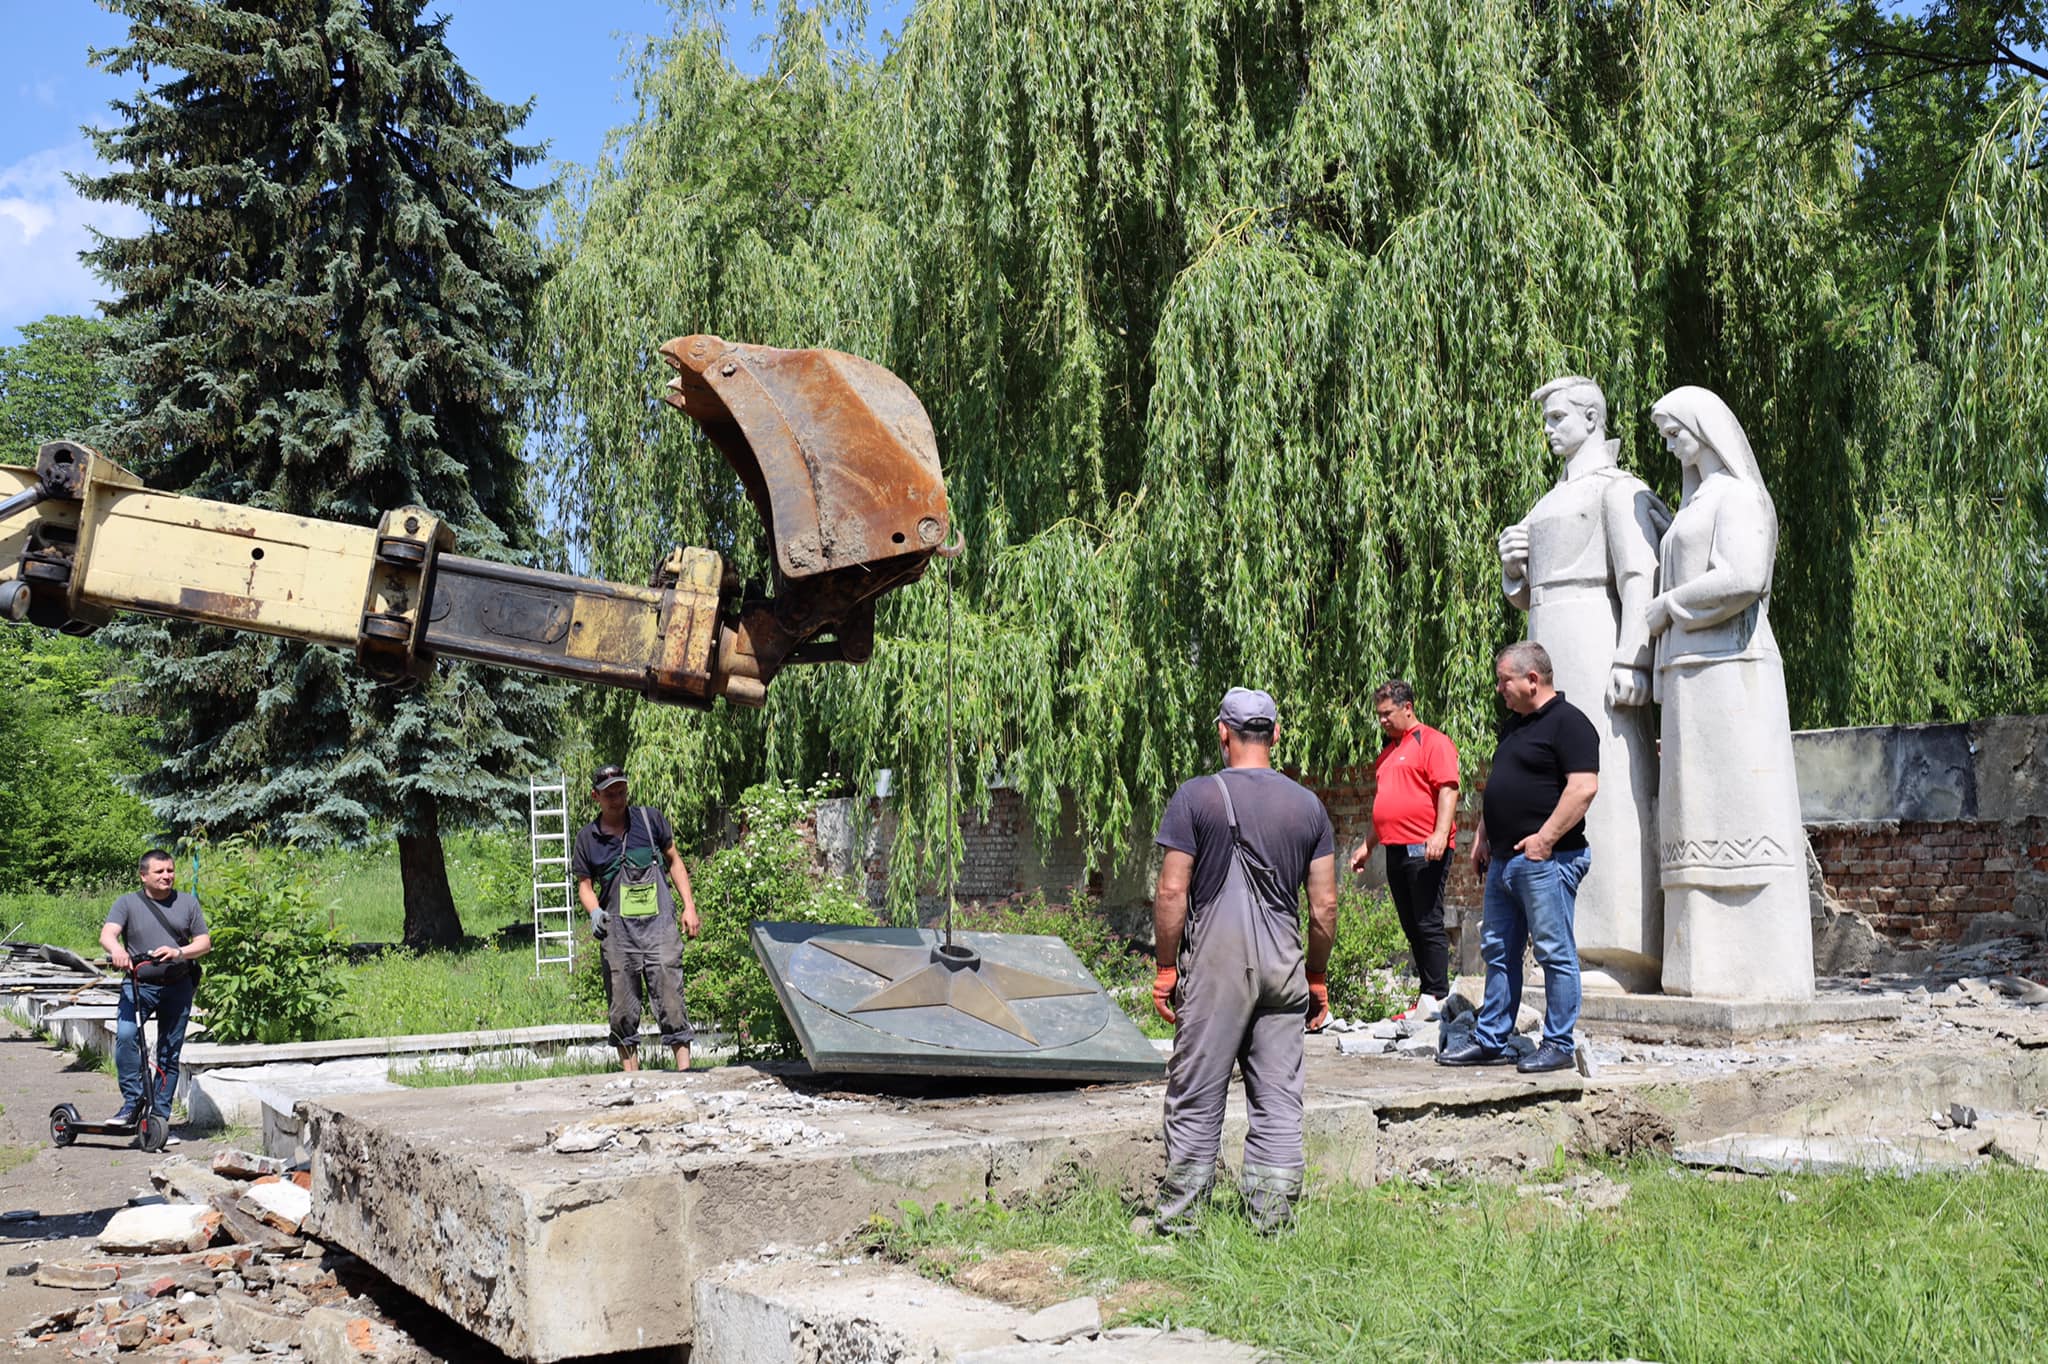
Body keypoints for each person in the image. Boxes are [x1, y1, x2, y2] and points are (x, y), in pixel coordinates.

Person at [1497, 375, 1669, 993]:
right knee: (1549, 780)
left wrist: (1632, 656)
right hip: (1550, 638)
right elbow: (1528, 594)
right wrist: (1514, 569)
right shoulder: (1550, 499)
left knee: (1610, 785)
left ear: (1592, 418)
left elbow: (1638, 576)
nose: (1548, 428)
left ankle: (1617, 947)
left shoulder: (1619, 491)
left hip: (1597, 639)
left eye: (1558, 416)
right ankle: (1561, 943)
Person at [1644, 387, 1813, 1000]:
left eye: (1672, 432)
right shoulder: (1695, 503)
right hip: (1690, 674)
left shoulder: (1740, 497)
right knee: (1694, 806)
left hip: (1732, 669)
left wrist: (1669, 605)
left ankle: (1756, 967)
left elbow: (1745, 577)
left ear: (1703, 427)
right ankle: (1699, 967)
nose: (1668, 445)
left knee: (1740, 802)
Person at [1151, 687, 1338, 1234]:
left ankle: (1181, 1222)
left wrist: (1167, 968)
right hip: (1284, 965)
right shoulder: (1308, 806)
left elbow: (1170, 893)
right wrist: (1317, 975)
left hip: (1216, 968)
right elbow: (1324, 905)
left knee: (1198, 1091)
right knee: (1279, 1097)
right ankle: (1272, 1223)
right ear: (1276, 734)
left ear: (1222, 732)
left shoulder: (1195, 797)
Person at [1440, 642, 1598, 1074]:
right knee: (1499, 950)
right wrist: (1482, 836)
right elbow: (1500, 784)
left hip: (1547, 861)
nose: (1499, 689)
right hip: (1505, 862)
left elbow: (1583, 787)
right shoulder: (1514, 726)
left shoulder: (1570, 724)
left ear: (1533, 679)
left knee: (1554, 953)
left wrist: (1544, 841)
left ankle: (1559, 1044)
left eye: (1504, 680)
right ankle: (1492, 1038)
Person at [572, 764, 702, 1072]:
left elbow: (674, 860)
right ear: (596, 796)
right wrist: (595, 912)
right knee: (622, 1006)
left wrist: (689, 906)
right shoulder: (587, 839)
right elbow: (585, 886)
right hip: (618, 933)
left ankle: (685, 1073)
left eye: (621, 791)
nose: (617, 799)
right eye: (609, 794)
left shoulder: (650, 819)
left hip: (660, 928)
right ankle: (632, 1078)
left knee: (671, 997)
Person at [1346, 680, 1459, 1021]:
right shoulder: (1389, 752)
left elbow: (1448, 789)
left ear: (1407, 707)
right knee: (1411, 924)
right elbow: (1383, 807)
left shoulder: (1432, 742)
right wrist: (1367, 846)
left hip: (1425, 848)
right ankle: (1426, 997)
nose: (1381, 720)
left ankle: (1437, 998)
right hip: (1395, 850)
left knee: (1427, 921)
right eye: (1378, 715)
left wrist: (1440, 834)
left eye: (1387, 713)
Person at [100, 849, 210, 1125]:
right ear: (143, 875)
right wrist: (117, 951)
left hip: (178, 986)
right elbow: (108, 934)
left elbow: (204, 943)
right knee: (126, 1036)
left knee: (169, 1052)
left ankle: (159, 1117)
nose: (166, 876)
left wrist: (179, 952)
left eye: (170, 871)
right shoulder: (127, 903)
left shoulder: (187, 903)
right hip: (139, 985)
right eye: (159, 872)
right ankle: (132, 1102)